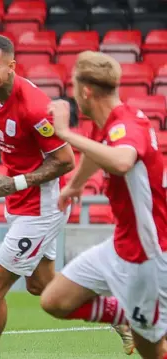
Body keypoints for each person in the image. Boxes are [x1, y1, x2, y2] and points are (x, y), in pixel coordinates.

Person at [40, 51, 167, 359]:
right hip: (121, 246)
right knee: (54, 300)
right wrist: (76, 183)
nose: (72, 94)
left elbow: (123, 160)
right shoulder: (108, 122)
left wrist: (65, 133)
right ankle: (125, 312)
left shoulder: (126, 126)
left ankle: (138, 316)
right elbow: (99, 150)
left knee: (153, 351)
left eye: (73, 86)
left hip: (146, 257)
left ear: (86, 91)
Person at [0, 34, 78, 359]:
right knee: (42, 287)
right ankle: (117, 313)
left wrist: (15, 183)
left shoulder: (35, 107)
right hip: (21, 204)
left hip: (42, 208)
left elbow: (66, 160)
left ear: (12, 66)